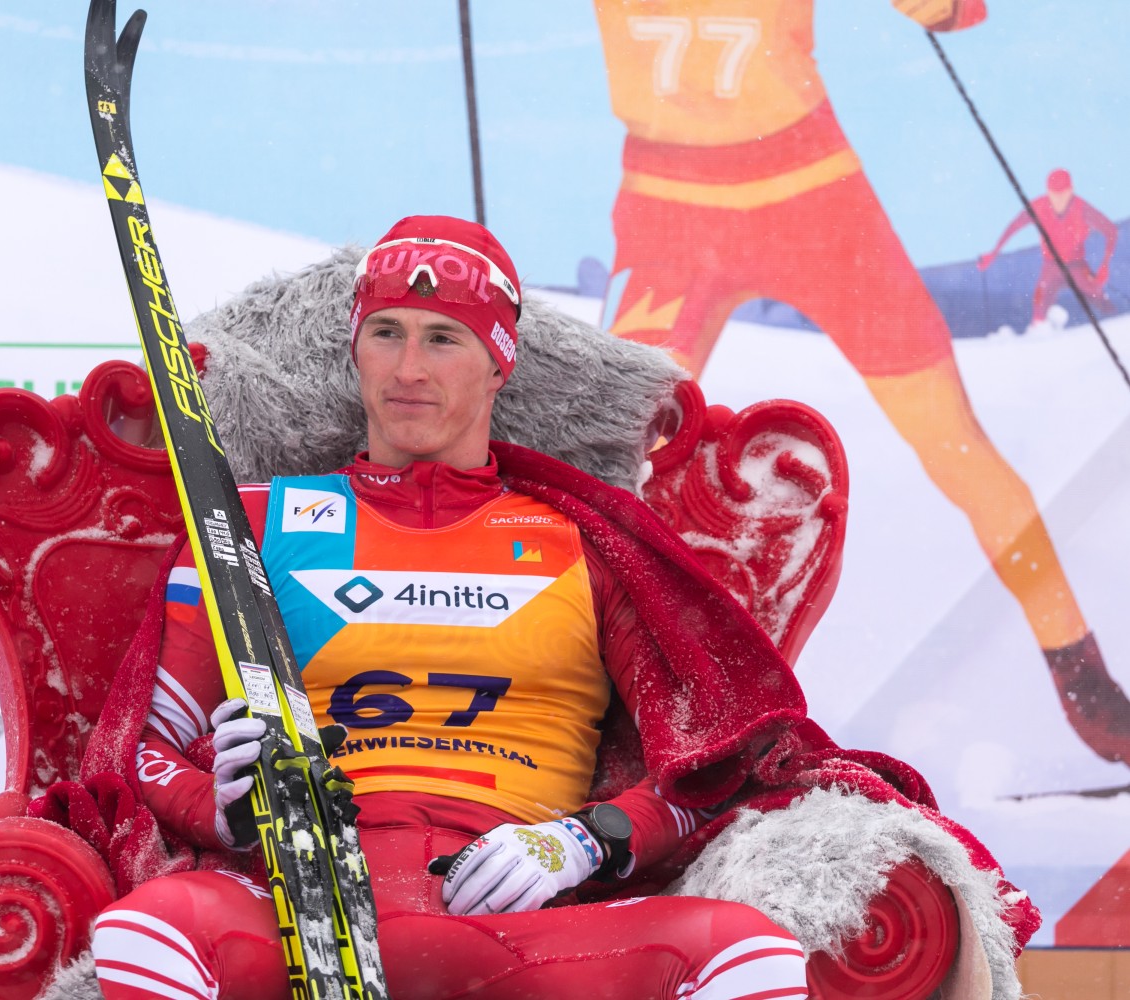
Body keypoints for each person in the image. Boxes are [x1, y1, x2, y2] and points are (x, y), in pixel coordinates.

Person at [87, 216, 818, 1000]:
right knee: (145, 932)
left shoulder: (583, 542)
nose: (408, 369)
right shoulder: (253, 524)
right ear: (355, 350)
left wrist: (582, 842)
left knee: (749, 953)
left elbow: (708, 766)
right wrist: (222, 808)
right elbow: (142, 749)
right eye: (386, 334)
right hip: (306, 910)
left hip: (516, 918)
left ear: (500, 363)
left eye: (442, 339)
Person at [592, 0, 1130, 765]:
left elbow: (956, 12)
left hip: (806, 193)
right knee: (600, 462)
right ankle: (580, 700)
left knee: (952, 440)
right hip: (675, 202)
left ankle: (1079, 671)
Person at [979, 167, 1118, 329]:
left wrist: (1105, 265)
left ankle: (1118, 326)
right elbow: (1014, 226)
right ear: (1048, 192)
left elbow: (1111, 231)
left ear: (1071, 191)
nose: (1058, 199)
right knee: (1039, 303)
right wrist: (994, 253)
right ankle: (1038, 334)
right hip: (1051, 266)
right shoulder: (1039, 206)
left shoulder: (1082, 208)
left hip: (1077, 266)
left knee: (1097, 295)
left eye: (1062, 194)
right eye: (1054, 193)